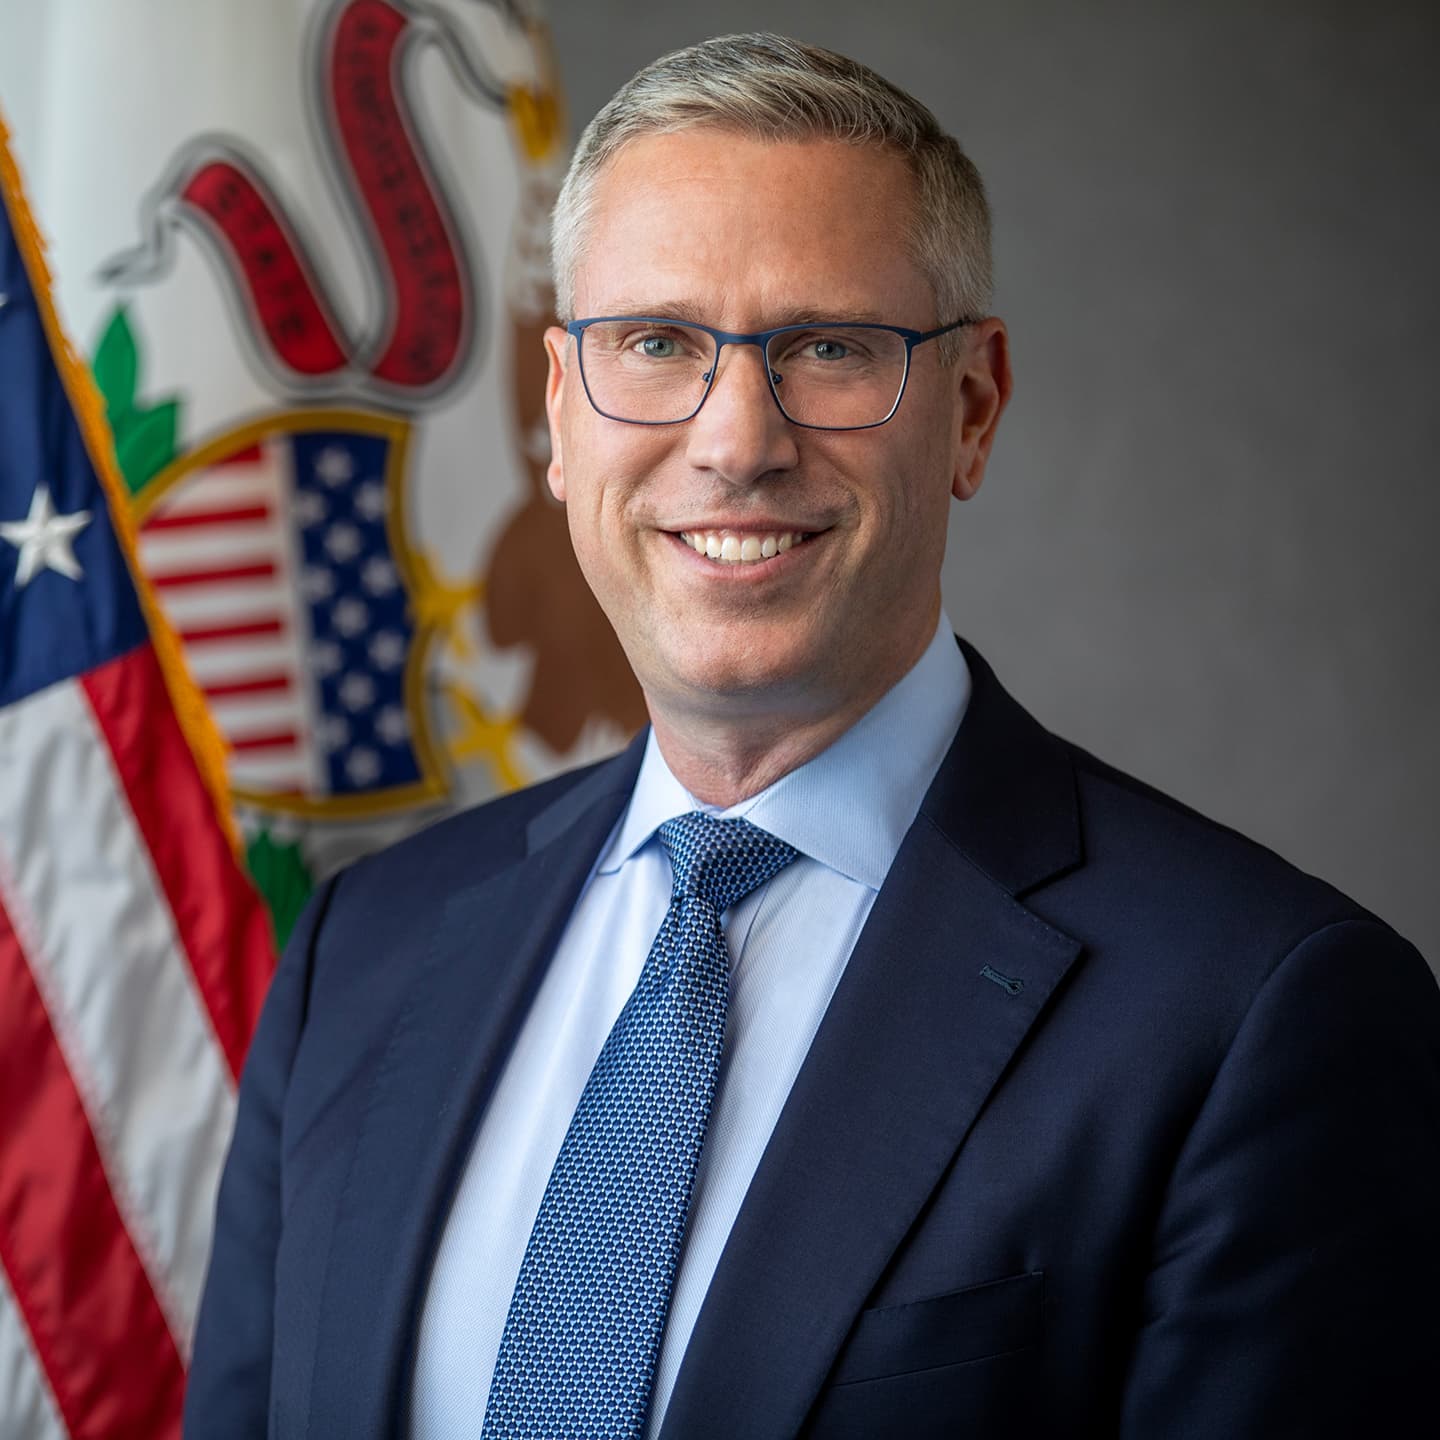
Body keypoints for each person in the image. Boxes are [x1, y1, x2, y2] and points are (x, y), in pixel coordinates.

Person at [184, 32, 1440, 1440]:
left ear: (972, 408)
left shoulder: (1259, 1016)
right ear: (559, 411)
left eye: (829, 349)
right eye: (656, 344)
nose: (736, 441)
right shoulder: (367, 952)